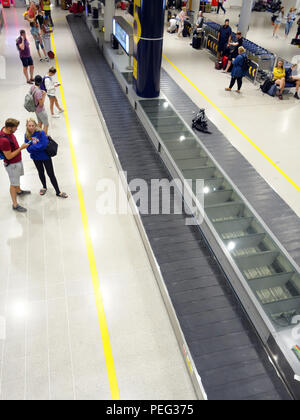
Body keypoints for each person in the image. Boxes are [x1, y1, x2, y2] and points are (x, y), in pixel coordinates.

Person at [25, 119, 68, 198]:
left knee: (51, 174)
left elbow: (44, 145)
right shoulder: (27, 135)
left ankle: (58, 192)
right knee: (41, 172)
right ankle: (44, 187)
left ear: (35, 125)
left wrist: (33, 147)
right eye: (29, 126)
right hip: (36, 158)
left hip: (45, 157)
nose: (31, 127)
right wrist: (36, 147)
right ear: (27, 126)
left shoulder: (41, 133)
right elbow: (27, 149)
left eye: (32, 125)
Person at [0, 119, 31, 213]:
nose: (17, 129)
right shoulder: (4, 140)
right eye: (15, 127)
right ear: (9, 128)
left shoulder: (6, 130)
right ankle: (15, 205)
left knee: (16, 179)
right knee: (13, 184)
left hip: (17, 161)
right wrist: (21, 148)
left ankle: (19, 191)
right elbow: (8, 156)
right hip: (12, 165)